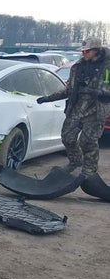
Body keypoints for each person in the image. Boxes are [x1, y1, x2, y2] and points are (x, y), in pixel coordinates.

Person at [37, 37, 110, 177]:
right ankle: (76, 162)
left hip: (96, 109)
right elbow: (69, 89)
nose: (84, 54)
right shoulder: (78, 66)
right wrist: (49, 98)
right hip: (76, 107)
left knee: (88, 142)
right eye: (82, 51)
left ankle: (89, 171)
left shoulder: (107, 66)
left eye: (87, 51)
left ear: (96, 50)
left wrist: (101, 93)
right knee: (67, 137)